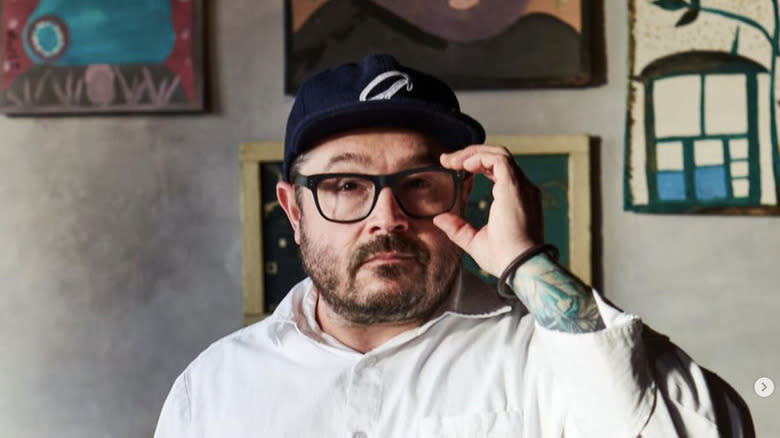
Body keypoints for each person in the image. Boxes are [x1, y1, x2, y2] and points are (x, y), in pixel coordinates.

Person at [155, 54, 745, 437]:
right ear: (292, 208)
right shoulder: (213, 388)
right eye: (345, 185)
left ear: (462, 194)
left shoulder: (547, 355)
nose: (387, 218)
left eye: (418, 184)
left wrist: (529, 266)